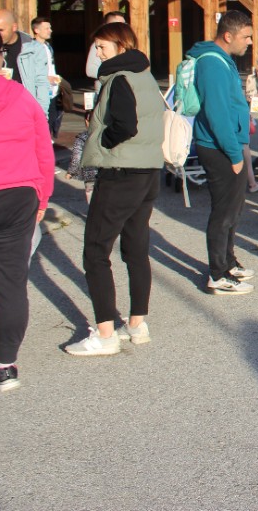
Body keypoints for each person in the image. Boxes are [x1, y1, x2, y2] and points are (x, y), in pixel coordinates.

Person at [64, 22, 165, 356]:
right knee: (136, 246)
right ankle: (137, 323)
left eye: (102, 46)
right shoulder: (145, 75)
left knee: (96, 249)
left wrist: (102, 140)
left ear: (121, 46)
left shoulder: (119, 78)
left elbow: (125, 125)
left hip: (121, 170)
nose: (97, 52)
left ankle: (105, 332)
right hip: (148, 168)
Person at [0, 23, 54, 391]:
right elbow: (43, 149)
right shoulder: (20, 96)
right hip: (16, 196)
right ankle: (6, 364)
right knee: (9, 286)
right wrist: (43, 197)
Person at [187, 10, 257, 295]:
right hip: (218, 147)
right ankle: (217, 274)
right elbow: (217, 113)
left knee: (233, 209)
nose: (250, 42)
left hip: (227, 144)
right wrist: (235, 154)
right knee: (224, 212)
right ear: (228, 36)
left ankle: (228, 262)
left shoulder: (222, 59)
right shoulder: (212, 63)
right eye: (246, 37)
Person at [0, 9, 49, 111]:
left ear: (14, 27)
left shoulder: (34, 49)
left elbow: (41, 83)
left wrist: (42, 114)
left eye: (1, 30)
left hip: (24, 108)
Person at [30, 16, 64, 138]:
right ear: (36, 30)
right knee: (42, 119)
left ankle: (49, 139)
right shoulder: (31, 48)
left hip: (53, 89)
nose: (50, 30)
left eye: (50, 28)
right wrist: (45, 78)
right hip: (41, 90)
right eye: (46, 28)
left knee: (54, 117)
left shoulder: (48, 46)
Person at [85, 10, 126, 85]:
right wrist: (115, 75)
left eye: (124, 24)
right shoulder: (99, 45)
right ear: (107, 25)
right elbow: (90, 70)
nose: (123, 28)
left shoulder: (126, 44)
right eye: (118, 25)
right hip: (105, 88)